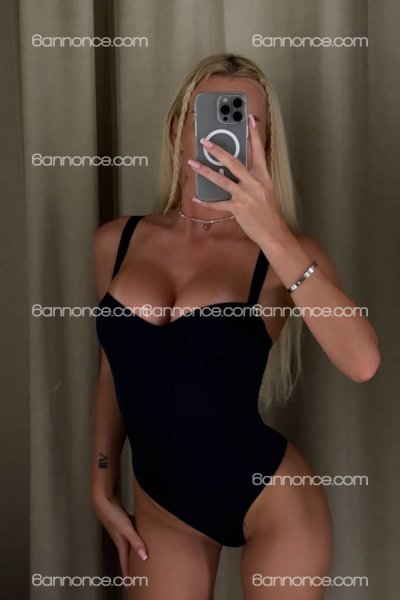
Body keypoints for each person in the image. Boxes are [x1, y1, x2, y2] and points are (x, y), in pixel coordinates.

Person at [90, 53, 380, 599]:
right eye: (209, 114)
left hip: (272, 502)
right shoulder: (116, 242)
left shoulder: (284, 255)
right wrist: (101, 481)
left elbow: (363, 362)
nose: (223, 136)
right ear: (177, 128)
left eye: (248, 123)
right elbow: (114, 368)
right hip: (164, 510)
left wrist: (271, 231)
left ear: (264, 146)